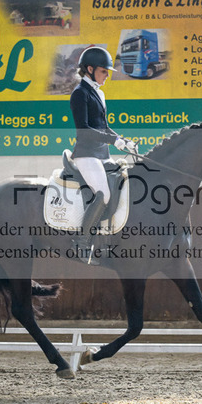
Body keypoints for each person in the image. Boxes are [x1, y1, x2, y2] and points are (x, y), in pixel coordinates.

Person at [69, 46, 135, 265]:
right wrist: (113, 141)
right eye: (103, 71)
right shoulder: (80, 93)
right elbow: (84, 130)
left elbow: (103, 127)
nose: (107, 75)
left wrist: (122, 140)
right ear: (90, 69)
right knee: (103, 194)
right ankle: (81, 243)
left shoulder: (99, 92)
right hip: (86, 154)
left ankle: (107, 239)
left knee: (121, 184)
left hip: (101, 153)